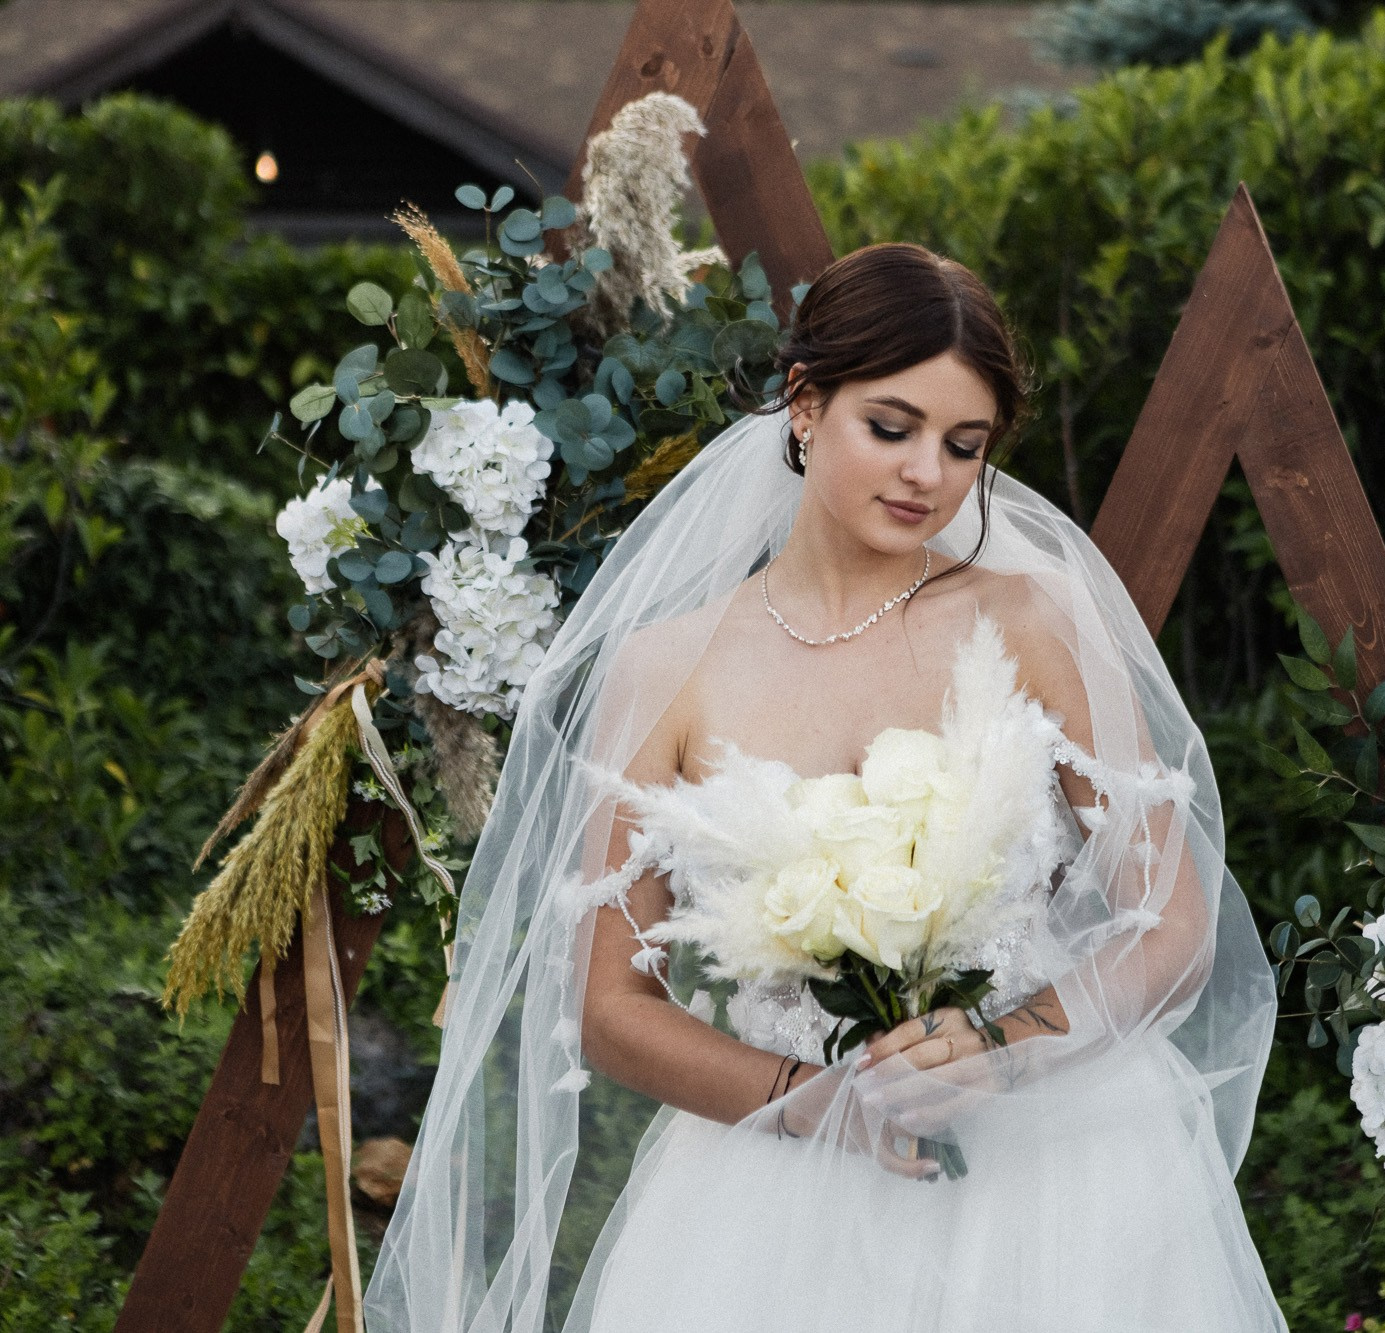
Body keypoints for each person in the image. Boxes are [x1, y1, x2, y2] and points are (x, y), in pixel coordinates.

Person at [365, 243, 1285, 1332]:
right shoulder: (665, 668)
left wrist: (1006, 1044)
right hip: (772, 1201)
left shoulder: (1031, 622)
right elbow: (609, 1006)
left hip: (1056, 1180)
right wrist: (817, 1105)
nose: (924, 475)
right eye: (889, 428)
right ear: (804, 405)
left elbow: (1169, 918)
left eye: (962, 445)